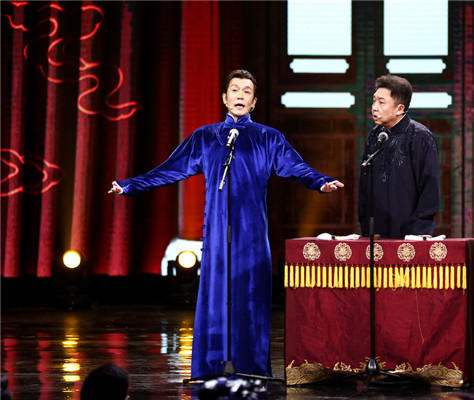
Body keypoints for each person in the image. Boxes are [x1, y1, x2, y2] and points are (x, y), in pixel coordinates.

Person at [108, 69, 343, 378]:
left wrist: (321, 181)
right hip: (218, 231)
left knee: (251, 295)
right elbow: (170, 169)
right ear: (224, 97)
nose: (240, 95)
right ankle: (210, 366)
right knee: (215, 295)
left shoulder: (268, 137)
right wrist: (129, 186)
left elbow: (296, 166)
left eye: (247, 92)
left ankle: (252, 367)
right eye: (235, 90)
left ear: (254, 102)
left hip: (252, 232)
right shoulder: (206, 137)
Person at [358, 74, 439, 238]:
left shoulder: (420, 136)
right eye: (374, 101)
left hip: (411, 232)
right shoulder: (375, 135)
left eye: (381, 102)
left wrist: (419, 230)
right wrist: (367, 227)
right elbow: (365, 185)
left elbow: (429, 186)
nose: (374, 107)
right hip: (377, 232)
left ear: (400, 108)